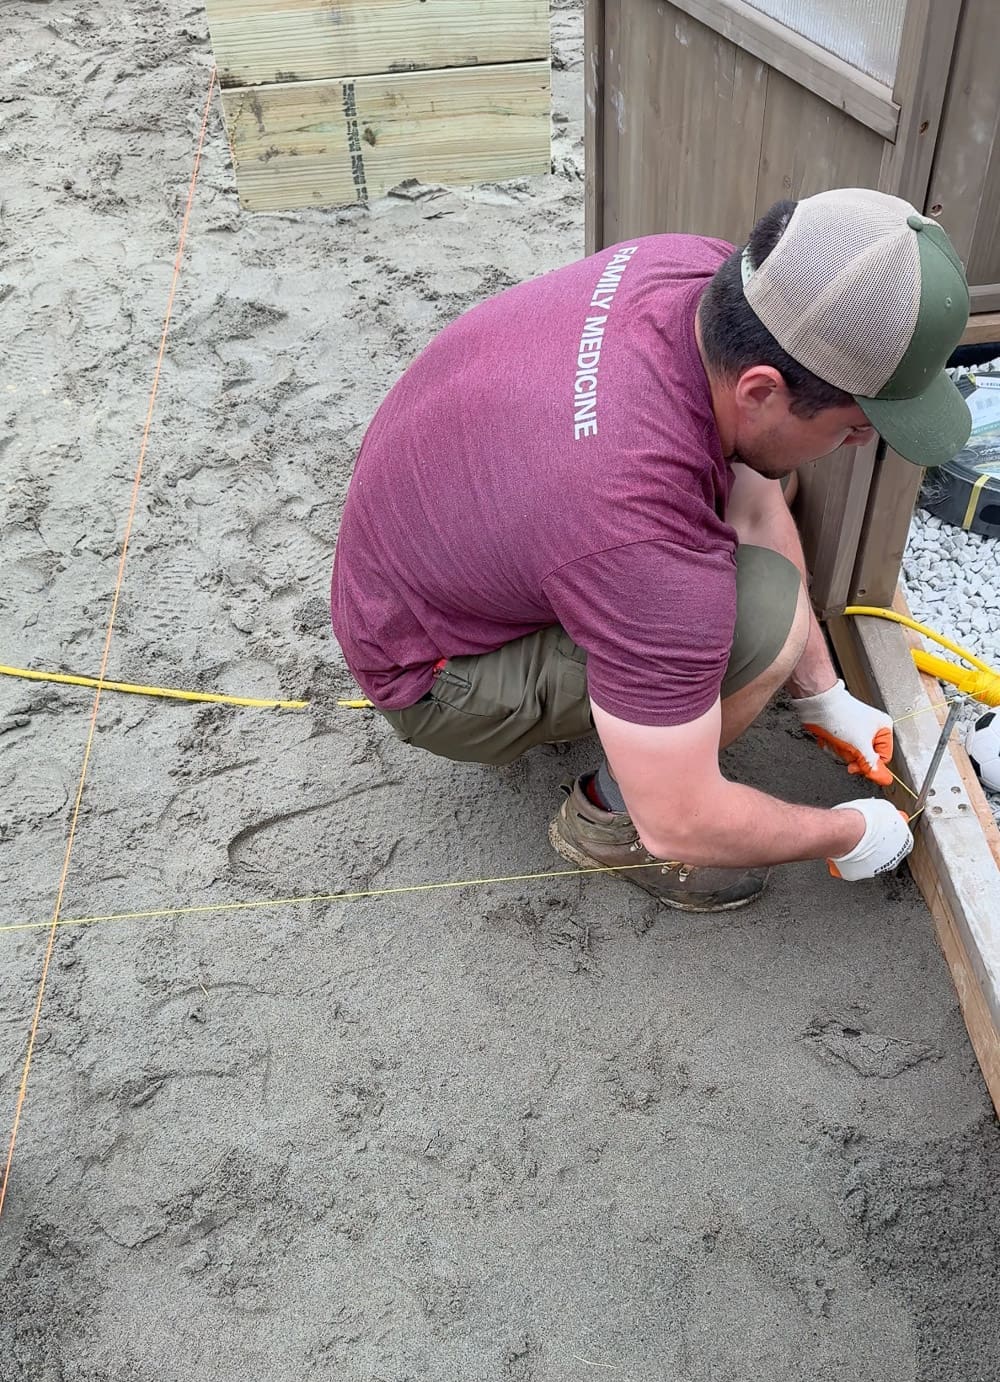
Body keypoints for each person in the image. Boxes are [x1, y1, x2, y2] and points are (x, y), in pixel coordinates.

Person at [330, 188, 972, 912]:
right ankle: (606, 821)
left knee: (759, 505)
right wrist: (848, 831)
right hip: (434, 674)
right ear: (762, 388)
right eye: (855, 427)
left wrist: (822, 694)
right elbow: (683, 819)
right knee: (763, 623)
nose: (859, 444)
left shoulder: (694, 277)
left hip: (439, 551)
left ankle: (639, 696)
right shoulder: (638, 534)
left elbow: (755, 496)